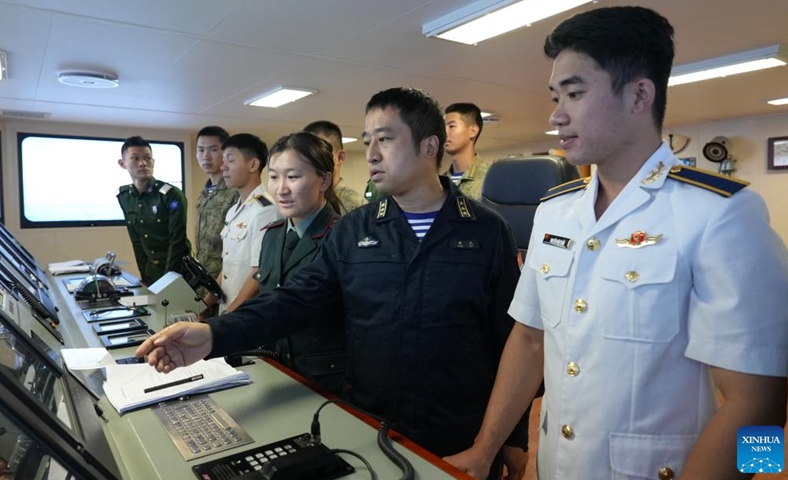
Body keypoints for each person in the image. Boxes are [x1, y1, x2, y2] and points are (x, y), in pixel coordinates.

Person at [445, 6, 788, 480]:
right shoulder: (554, 211)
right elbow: (529, 341)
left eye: (574, 93)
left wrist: (755, 472)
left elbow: (763, 412)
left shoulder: (721, 214)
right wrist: (485, 447)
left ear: (638, 95)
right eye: (556, 95)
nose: (556, 114)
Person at [136, 87, 528, 478]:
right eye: (368, 139)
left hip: (459, 436)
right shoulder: (355, 229)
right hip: (369, 427)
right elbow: (294, 301)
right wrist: (212, 334)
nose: (371, 153)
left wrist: (505, 441)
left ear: (429, 146)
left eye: (385, 139)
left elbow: (513, 340)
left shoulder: (486, 230)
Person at [255, 132, 345, 394]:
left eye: (293, 177)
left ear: (324, 180)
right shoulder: (272, 236)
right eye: (273, 177)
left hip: (327, 383)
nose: (281, 188)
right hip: (276, 371)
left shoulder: (341, 236)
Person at [203, 133, 280, 313]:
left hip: (245, 314)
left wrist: (232, 314)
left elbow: (259, 271)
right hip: (227, 309)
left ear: (253, 164)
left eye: (230, 160)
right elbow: (229, 264)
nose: (223, 167)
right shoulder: (233, 211)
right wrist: (203, 305)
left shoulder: (265, 210)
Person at [117, 135, 191, 285]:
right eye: (135, 158)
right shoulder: (126, 197)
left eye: (147, 158)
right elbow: (136, 241)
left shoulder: (170, 194)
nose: (143, 163)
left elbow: (177, 241)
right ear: (122, 163)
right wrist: (144, 275)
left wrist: (169, 279)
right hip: (152, 271)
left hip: (179, 271)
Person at [194, 126, 239, 297]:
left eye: (213, 150)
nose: (206, 156)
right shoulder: (204, 194)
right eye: (201, 150)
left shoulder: (234, 193)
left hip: (225, 284)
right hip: (203, 279)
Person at [302, 120, 366, 213]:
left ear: (340, 157)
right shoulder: (301, 202)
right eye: (307, 154)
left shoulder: (356, 206)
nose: (313, 160)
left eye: (321, 153)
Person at [444, 102, 489, 199]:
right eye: (443, 127)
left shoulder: (490, 177)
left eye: (451, 126)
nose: (444, 132)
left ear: (472, 131)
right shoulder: (440, 182)